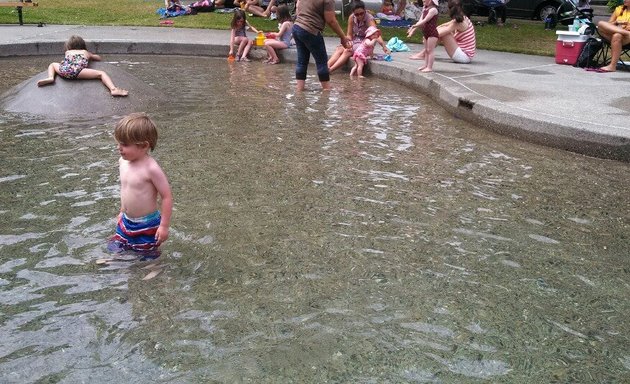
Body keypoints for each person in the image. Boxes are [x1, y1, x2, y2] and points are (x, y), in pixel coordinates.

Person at [110, 113, 173, 255]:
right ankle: (116, 259)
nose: (118, 148)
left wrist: (164, 226)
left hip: (147, 223)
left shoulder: (151, 169)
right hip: (126, 220)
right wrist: (122, 211)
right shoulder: (123, 162)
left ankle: (155, 267)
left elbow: (167, 196)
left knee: (147, 251)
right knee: (117, 244)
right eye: (118, 142)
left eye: (124, 144)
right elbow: (125, 189)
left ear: (144, 145)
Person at [36, 35, 128, 97]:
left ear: (68, 47)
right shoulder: (85, 52)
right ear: (83, 46)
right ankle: (113, 89)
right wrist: (92, 57)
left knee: (52, 64)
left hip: (63, 70)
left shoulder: (68, 52)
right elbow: (98, 58)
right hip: (77, 71)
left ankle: (51, 77)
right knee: (101, 73)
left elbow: (65, 61)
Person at [292, 0, 351, 91]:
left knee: (301, 62)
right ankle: (326, 91)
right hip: (311, 30)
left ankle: (299, 90)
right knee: (322, 62)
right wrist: (343, 37)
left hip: (297, 27)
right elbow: (331, 20)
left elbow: (298, 6)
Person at [328, 1, 391, 74]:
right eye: (357, 14)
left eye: (361, 13)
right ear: (353, 13)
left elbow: (376, 34)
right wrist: (347, 41)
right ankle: (325, 67)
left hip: (366, 43)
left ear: (365, 10)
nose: (360, 16)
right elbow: (349, 35)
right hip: (356, 40)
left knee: (347, 50)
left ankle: (330, 70)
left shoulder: (369, 18)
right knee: (340, 48)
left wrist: (383, 46)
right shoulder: (351, 17)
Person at [410, 0, 476, 64]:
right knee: (440, 31)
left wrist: (427, 37)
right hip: (464, 53)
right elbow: (444, 25)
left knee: (444, 34)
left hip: (464, 57)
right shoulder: (462, 18)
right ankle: (424, 53)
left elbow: (439, 34)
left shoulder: (458, 23)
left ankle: (423, 54)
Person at [596, 0, 630, 72]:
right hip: (616, 34)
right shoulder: (619, 9)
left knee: (617, 36)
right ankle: (625, 33)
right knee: (601, 23)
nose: (624, 0)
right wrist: (616, 22)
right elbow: (609, 24)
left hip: (627, 38)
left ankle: (612, 66)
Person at [407, 0, 439, 72]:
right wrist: (412, 30)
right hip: (426, 33)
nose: (423, 0)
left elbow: (425, 20)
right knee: (426, 51)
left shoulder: (433, 10)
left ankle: (429, 67)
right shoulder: (425, 8)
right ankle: (425, 65)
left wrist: (413, 26)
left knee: (430, 50)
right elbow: (420, 20)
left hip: (432, 33)